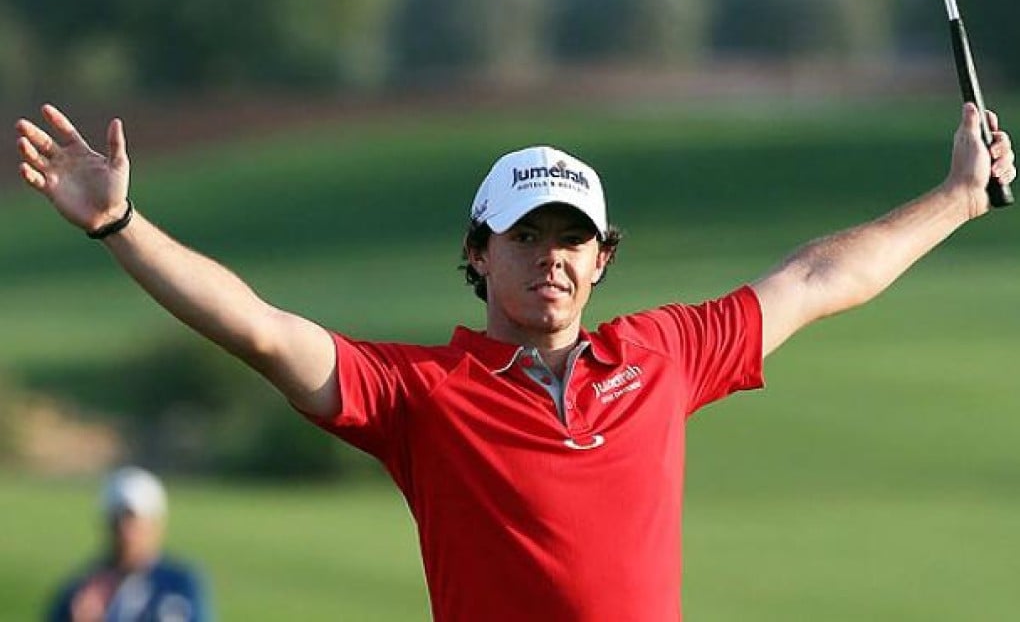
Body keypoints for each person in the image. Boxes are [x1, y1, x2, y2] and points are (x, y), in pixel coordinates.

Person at [16, 102, 1016, 621]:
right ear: (478, 251)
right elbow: (262, 328)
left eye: (570, 235)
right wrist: (122, 224)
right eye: (524, 234)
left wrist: (960, 197)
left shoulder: (660, 352)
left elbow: (814, 276)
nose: (550, 255)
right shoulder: (420, 393)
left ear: (602, 254)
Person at [46, 466, 212, 622]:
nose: (126, 532)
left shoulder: (179, 584)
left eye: (134, 521)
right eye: (118, 522)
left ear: (156, 524)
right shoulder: (83, 589)